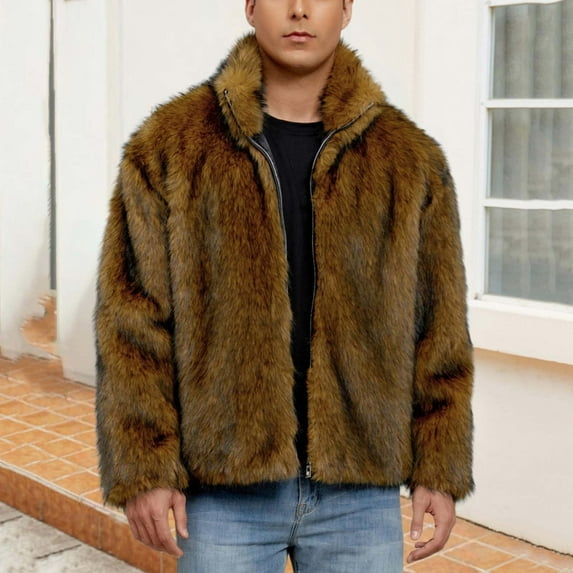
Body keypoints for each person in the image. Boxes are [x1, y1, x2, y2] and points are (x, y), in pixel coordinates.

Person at [95, 0, 474, 571]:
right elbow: (131, 319)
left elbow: (441, 330)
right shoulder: (170, 146)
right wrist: (145, 467)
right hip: (223, 489)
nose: (299, 10)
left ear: (346, 9)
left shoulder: (410, 159)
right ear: (250, 7)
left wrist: (439, 467)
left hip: (360, 492)